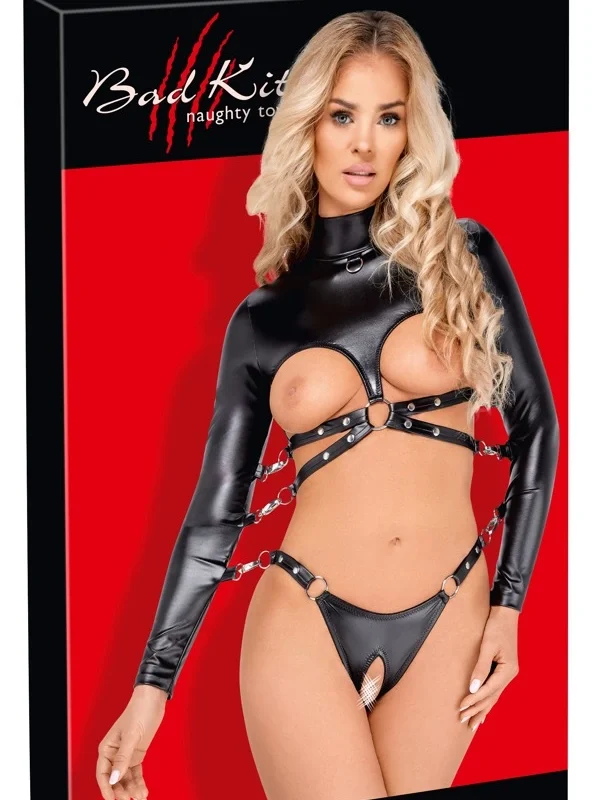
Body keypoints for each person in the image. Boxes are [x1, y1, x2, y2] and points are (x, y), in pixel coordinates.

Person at [96, 10, 559, 800]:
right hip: (303, 616)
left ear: (412, 133)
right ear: (308, 124)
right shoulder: (263, 320)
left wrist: (509, 609)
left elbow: (537, 428)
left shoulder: (462, 254)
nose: (365, 144)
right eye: (343, 116)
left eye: (389, 118)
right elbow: (215, 518)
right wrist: (151, 688)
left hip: (451, 608)